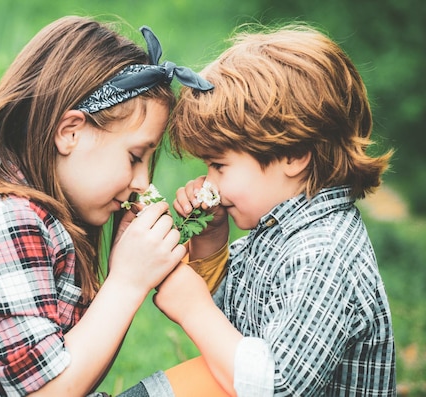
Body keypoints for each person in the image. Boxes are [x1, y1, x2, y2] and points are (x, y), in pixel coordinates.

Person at [0, 16, 213, 397]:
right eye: (135, 156)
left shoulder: (40, 218)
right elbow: (50, 391)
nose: (142, 182)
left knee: (213, 379)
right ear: (70, 132)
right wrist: (126, 282)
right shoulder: (2, 219)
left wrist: (125, 274)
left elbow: (74, 373)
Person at [119, 23, 396, 396]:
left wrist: (193, 308)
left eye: (219, 166)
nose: (209, 183)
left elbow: (276, 385)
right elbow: (233, 342)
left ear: (293, 155)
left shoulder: (322, 253)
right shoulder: (278, 230)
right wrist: (211, 246)